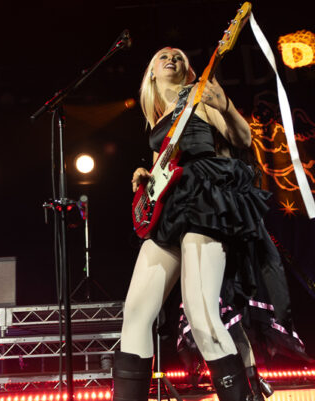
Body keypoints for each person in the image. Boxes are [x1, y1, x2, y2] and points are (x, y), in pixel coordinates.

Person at [113, 47, 271, 401]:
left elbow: (242, 138)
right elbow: (162, 166)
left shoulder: (200, 96)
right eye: (162, 56)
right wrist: (145, 176)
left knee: (201, 314)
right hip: (169, 209)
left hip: (202, 199)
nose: (171, 58)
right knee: (135, 314)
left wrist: (225, 105)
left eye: (178, 56)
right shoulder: (157, 120)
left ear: (187, 69)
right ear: (151, 72)